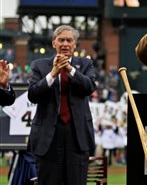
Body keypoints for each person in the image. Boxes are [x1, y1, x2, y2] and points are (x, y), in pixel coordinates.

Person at [28, 25, 97, 185]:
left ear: (74, 44)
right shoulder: (40, 65)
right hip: (48, 137)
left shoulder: (85, 64)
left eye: (69, 40)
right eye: (61, 40)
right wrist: (53, 74)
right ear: (54, 43)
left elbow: (89, 87)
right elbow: (33, 95)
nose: (65, 43)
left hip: (77, 136)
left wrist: (70, 70)